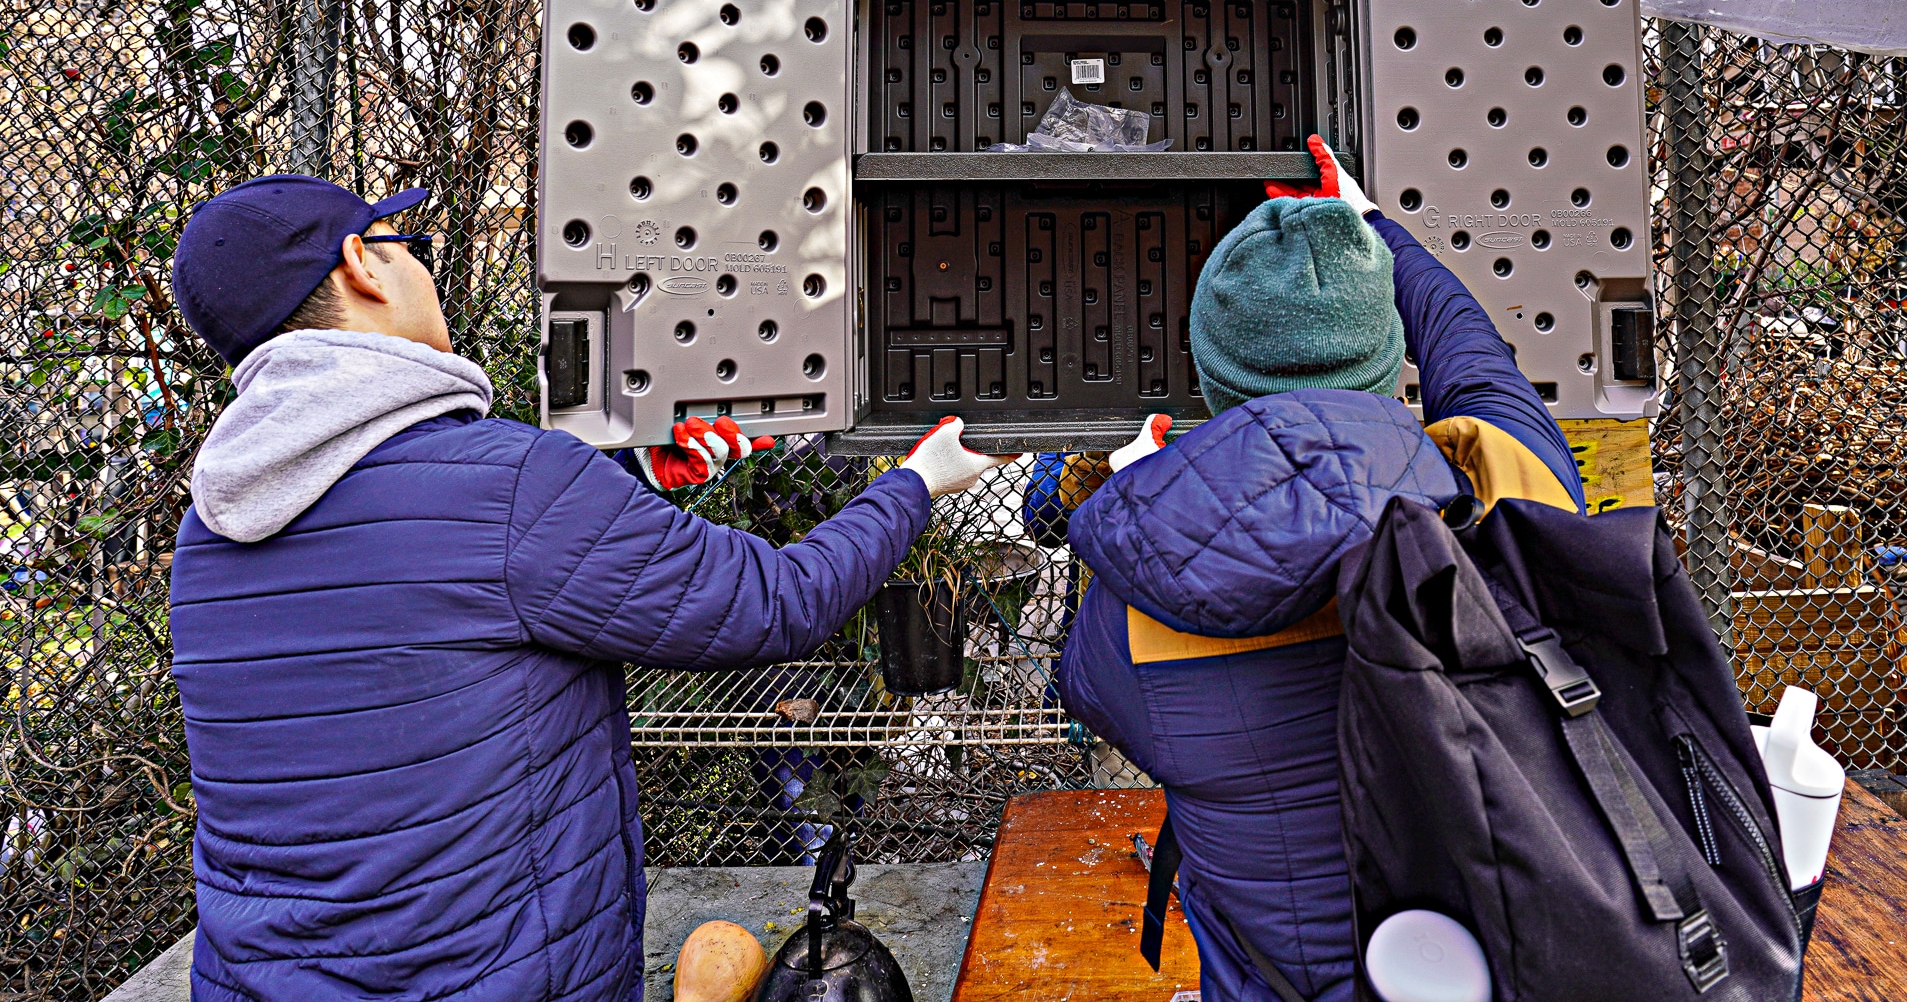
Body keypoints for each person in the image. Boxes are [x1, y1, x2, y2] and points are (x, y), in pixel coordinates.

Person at [167, 174, 1005, 1002]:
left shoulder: (211, 531)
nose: (418, 267)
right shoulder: (511, 487)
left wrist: (623, 478)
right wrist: (918, 483)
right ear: (362, 265)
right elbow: (776, 603)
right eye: (405, 247)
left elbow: (422, 581)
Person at [1058, 136, 1586, 1002]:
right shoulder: (1508, 479)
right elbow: (1468, 346)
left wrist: (1143, 494)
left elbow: (1088, 689)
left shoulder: (1133, 595)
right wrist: (1374, 223)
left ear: (1210, 374)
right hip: (1513, 965)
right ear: (1387, 355)